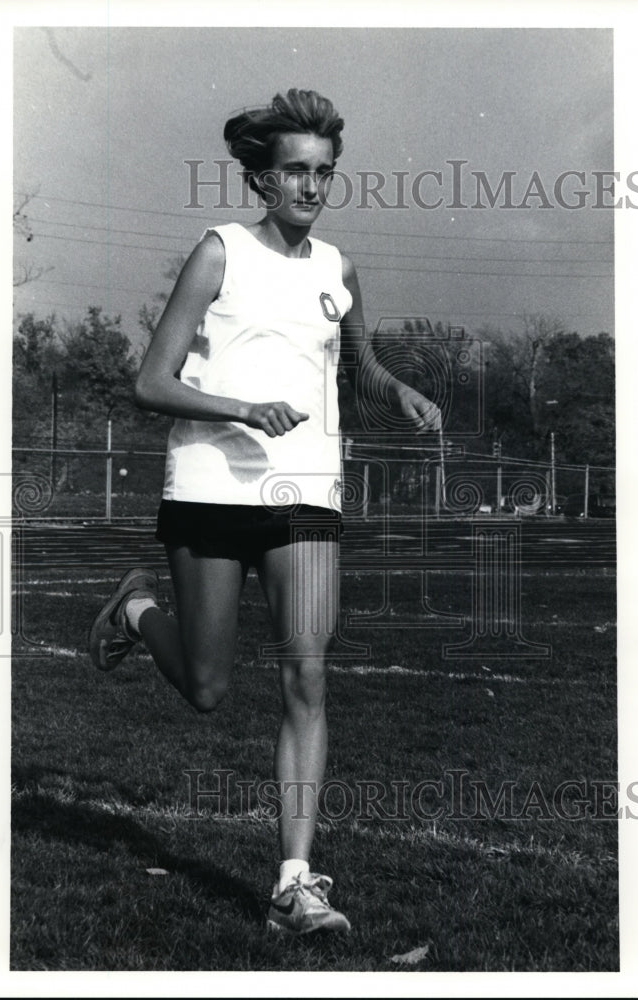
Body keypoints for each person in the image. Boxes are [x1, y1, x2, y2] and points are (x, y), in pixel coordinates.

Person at [89, 89, 441, 936]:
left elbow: (361, 368)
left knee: (306, 674)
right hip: (211, 486)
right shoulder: (219, 255)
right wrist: (242, 408)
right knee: (208, 689)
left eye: (324, 172)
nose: (311, 187)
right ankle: (138, 612)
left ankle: (295, 883)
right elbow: (151, 381)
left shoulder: (339, 269)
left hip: (308, 494)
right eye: (294, 170)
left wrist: (403, 392)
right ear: (260, 177)